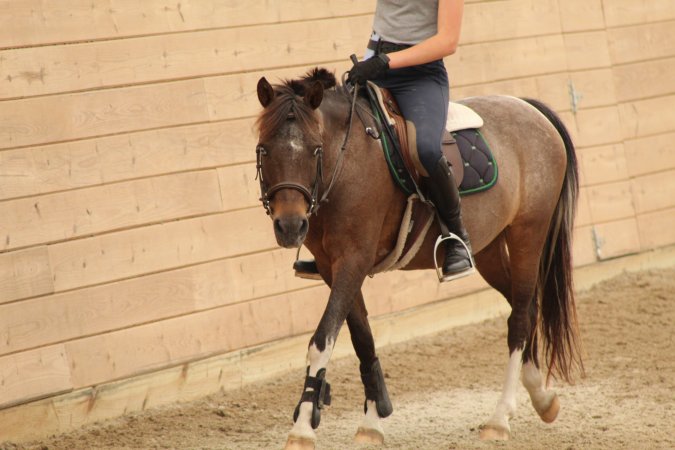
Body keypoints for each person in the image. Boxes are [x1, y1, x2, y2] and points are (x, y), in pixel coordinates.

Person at [296, 0, 472, 280]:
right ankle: (326, 245)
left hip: (420, 76)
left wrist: (386, 62)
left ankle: (457, 237)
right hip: (374, 65)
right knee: (331, 132)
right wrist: (370, 62)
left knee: (425, 149)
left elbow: (447, 42)